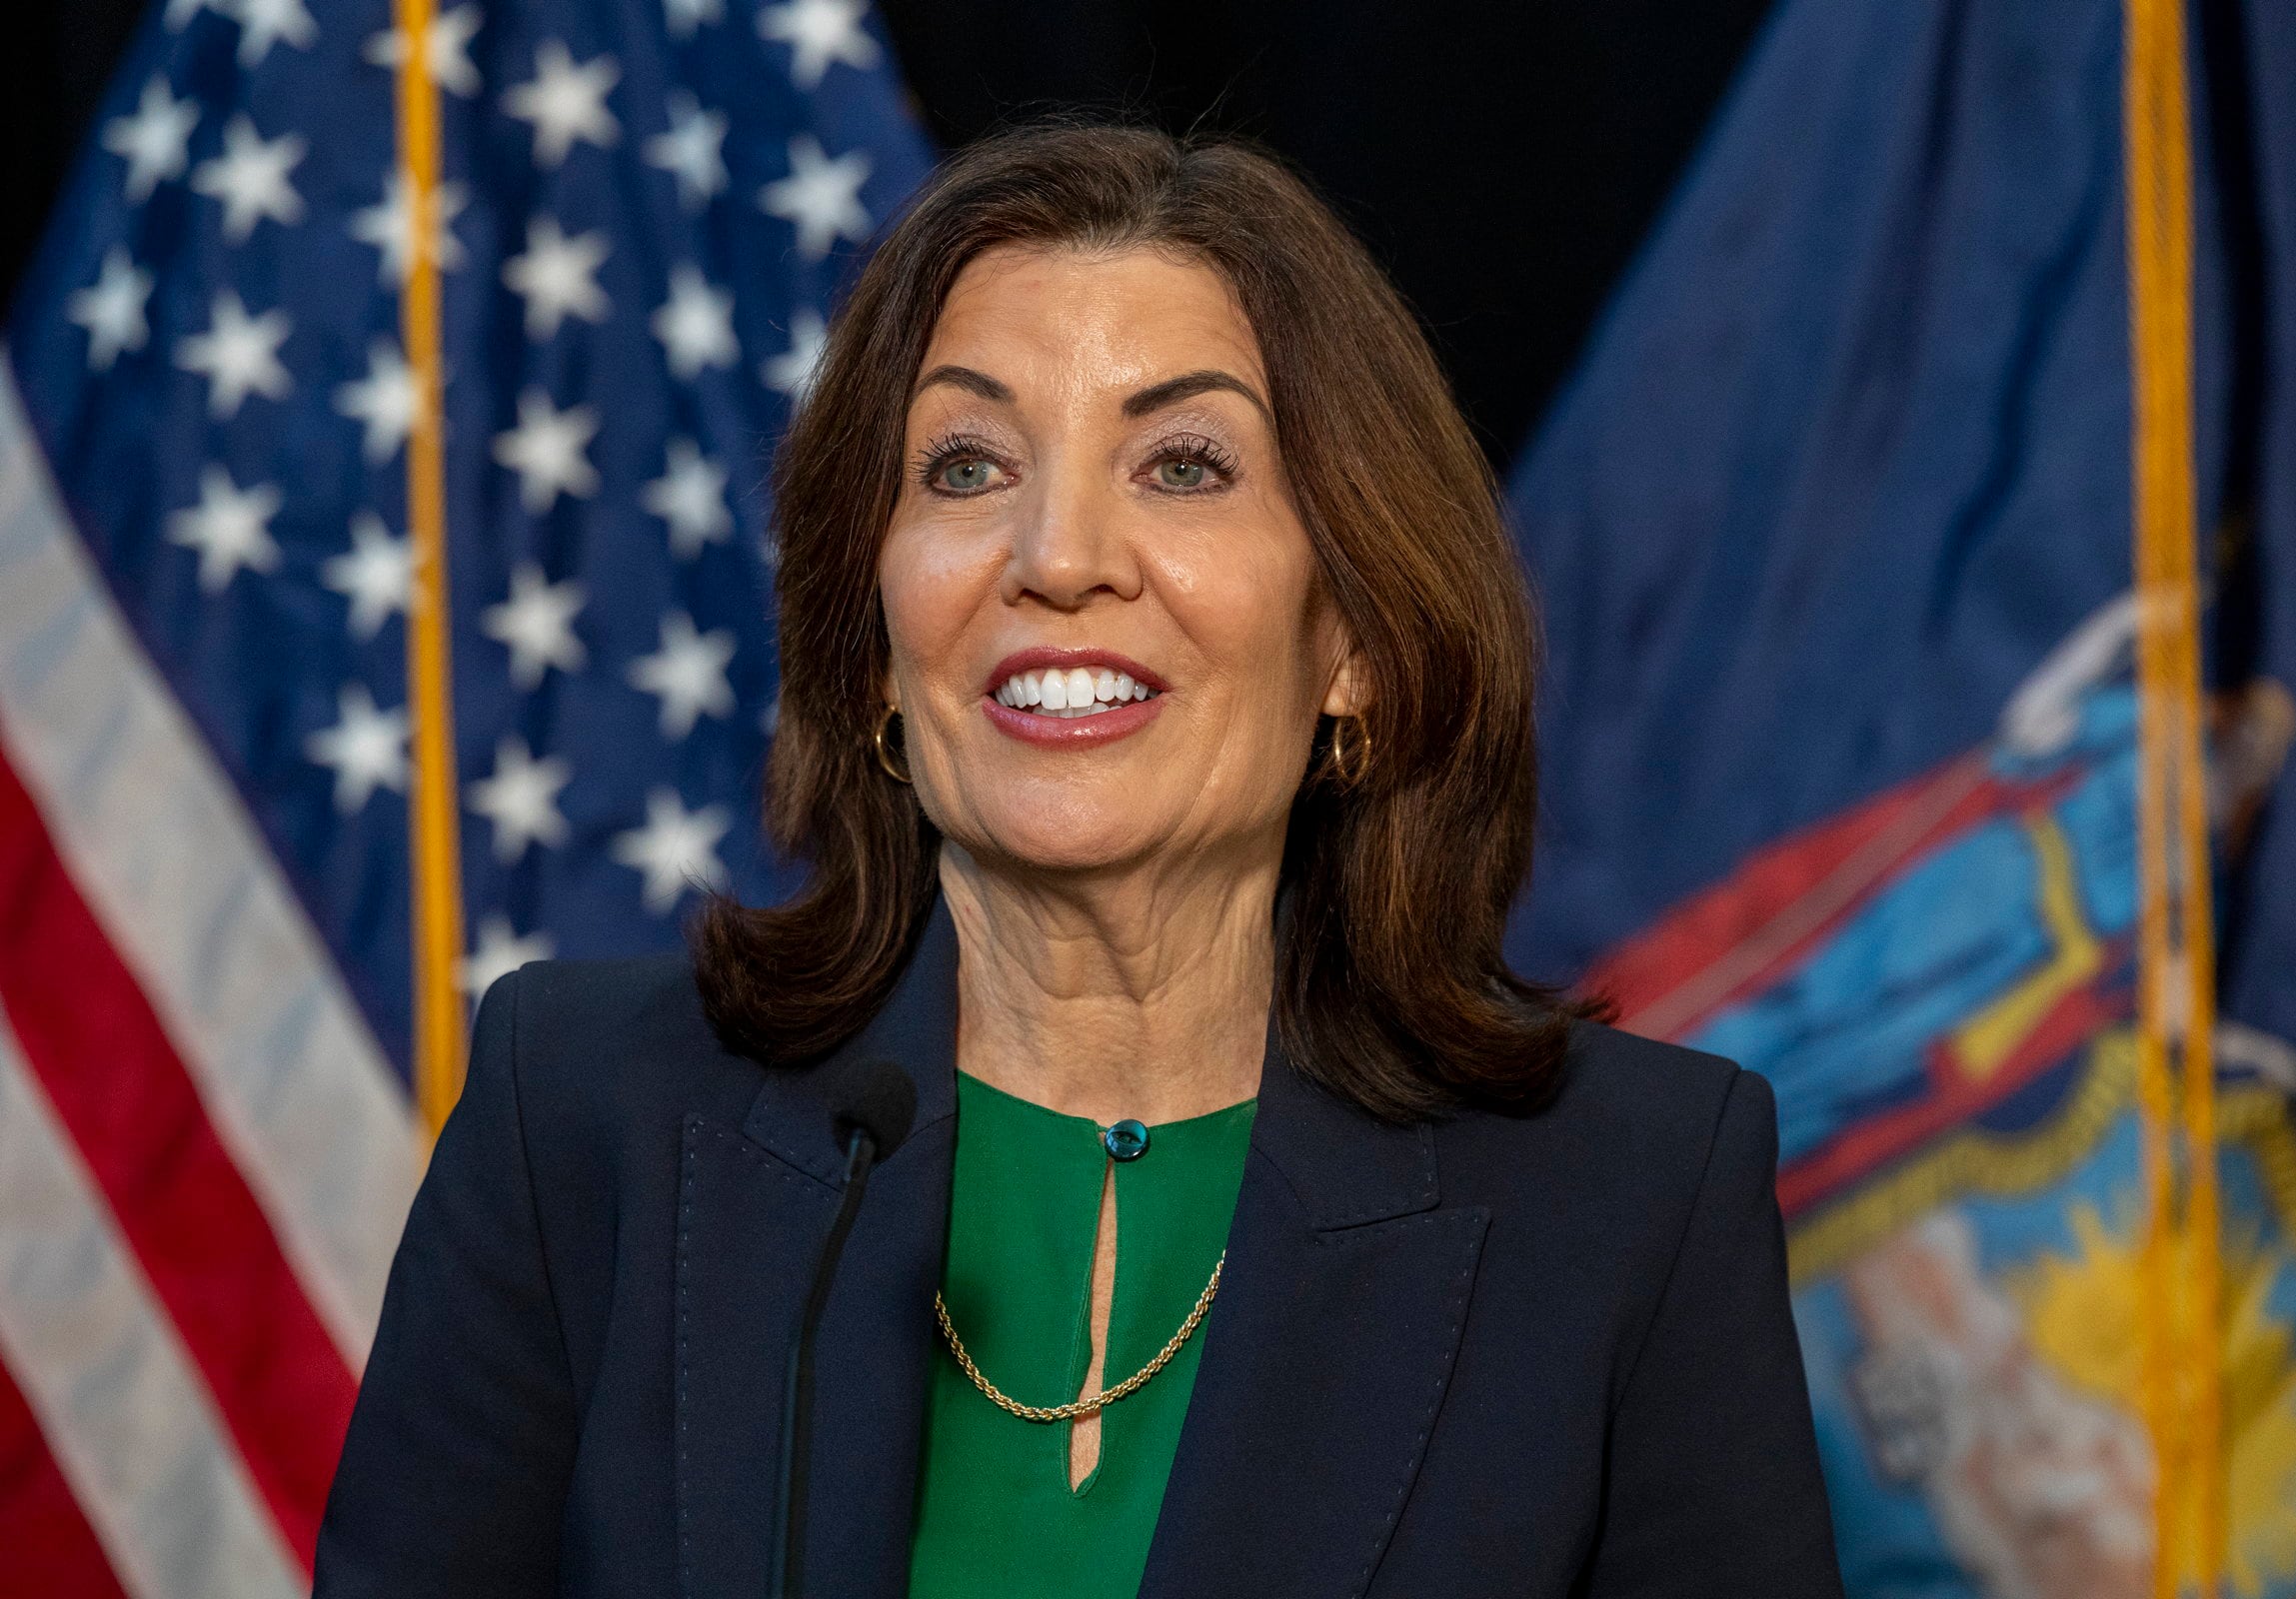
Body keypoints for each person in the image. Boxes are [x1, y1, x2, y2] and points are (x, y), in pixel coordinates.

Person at [315, 122, 1844, 1598]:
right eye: (969, 464)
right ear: (872, 651)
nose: (1057, 555)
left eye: (1183, 465)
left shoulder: (1631, 1199)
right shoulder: (580, 1116)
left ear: (1358, 644)